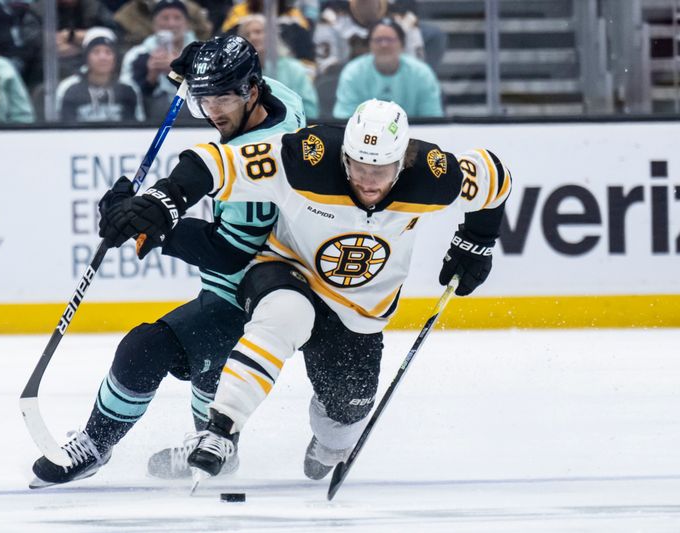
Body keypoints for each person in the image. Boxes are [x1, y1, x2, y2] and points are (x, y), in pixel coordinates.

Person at [96, 98, 512, 481]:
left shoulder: (435, 177)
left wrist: (476, 241)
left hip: (360, 309)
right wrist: (165, 198)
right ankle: (219, 431)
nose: (368, 182)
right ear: (344, 154)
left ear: (402, 162)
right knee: (283, 318)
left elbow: (496, 177)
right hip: (284, 269)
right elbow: (216, 162)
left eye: (380, 171)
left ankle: (329, 443)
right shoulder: (307, 158)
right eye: (358, 167)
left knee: (345, 417)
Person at [29, 34, 306, 488]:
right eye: (204, 99)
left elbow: (232, 250)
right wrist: (200, 66)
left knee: (146, 350)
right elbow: (256, 82)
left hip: (253, 294)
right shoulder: (282, 101)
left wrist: (153, 229)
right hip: (244, 286)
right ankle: (209, 443)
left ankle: (99, 445)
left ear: (250, 92)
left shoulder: (254, 163)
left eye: (222, 99)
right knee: (204, 371)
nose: (213, 112)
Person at [333, 18, 442, 119]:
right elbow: (345, 117)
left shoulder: (422, 74)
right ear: (369, 45)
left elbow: (432, 117)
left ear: (402, 44)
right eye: (378, 40)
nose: (384, 45)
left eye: (390, 40)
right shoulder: (353, 73)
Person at [120, 0, 194, 119]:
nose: (171, 24)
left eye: (177, 18)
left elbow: (211, 92)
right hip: (151, 125)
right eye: (165, 18)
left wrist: (178, 72)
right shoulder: (137, 55)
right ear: (154, 24)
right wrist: (150, 78)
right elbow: (127, 98)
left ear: (187, 24)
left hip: (197, 126)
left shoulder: (203, 53)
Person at [237, 13, 318, 119]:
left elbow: (310, 110)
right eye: (247, 34)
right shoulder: (238, 73)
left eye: (258, 32)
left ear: (272, 36)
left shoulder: (295, 69)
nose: (252, 37)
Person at [56, 27, 143, 122]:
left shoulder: (128, 89)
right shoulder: (68, 88)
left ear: (115, 58)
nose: (103, 57)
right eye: (96, 52)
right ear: (86, 58)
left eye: (108, 52)